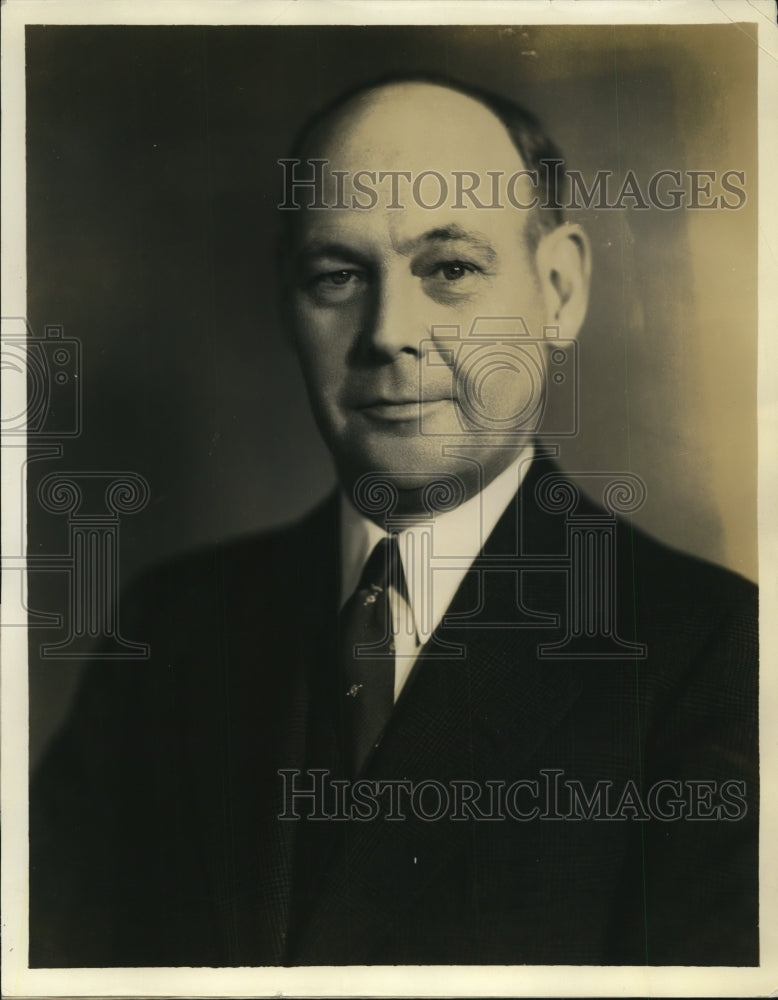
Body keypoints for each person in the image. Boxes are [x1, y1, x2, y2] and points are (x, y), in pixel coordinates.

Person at [30, 75, 758, 968]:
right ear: (288, 306)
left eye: (449, 269)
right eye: (337, 276)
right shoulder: (169, 630)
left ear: (560, 290)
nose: (387, 332)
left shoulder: (717, 657)